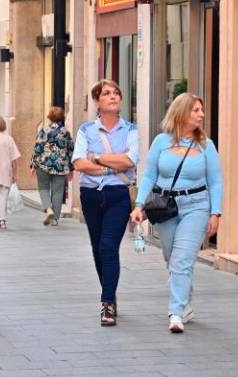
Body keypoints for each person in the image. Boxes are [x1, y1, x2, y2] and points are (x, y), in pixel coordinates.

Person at [131, 93, 223, 333]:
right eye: (196, 110)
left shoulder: (206, 145)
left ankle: (175, 312)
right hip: (165, 208)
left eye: (201, 110)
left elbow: (215, 182)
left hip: (197, 206)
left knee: (182, 260)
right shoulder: (161, 141)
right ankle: (186, 301)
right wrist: (139, 205)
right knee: (172, 258)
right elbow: (149, 175)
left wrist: (216, 213)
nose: (201, 114)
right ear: (181, 113)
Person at [72, 79, 139, 327]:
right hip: (90, 196)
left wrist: (97, 158)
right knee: (97, 248)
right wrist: (110, 163)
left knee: (109, 247)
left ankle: (107, 302)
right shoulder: (86, 130)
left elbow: (130, 160)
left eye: (116, 93)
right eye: (107, 93)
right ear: (97, 101)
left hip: (118, 195)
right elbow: (79, 163)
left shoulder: (131, 129)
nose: (113, 97)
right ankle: (109, 291)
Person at [30, 107, 75, 226]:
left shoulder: (44, 130)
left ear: (49, 117)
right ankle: (55, 219)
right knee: (58, 192)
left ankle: (48, 210)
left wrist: (33, 165)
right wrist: (70, 169)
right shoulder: (66, 133)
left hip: (43, 164)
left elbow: (37, 148)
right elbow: (71, 151)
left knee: (43, 188)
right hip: (60, 166)